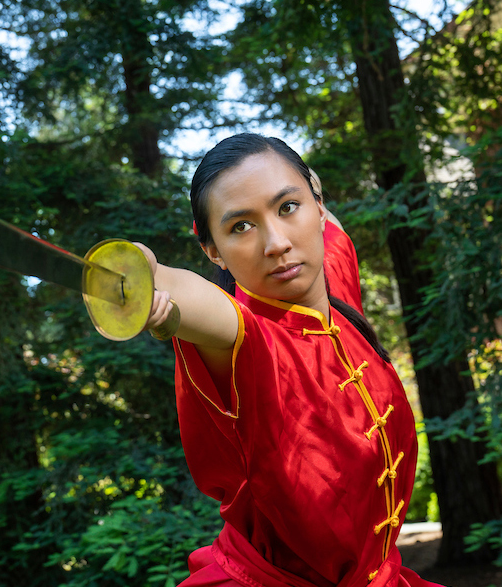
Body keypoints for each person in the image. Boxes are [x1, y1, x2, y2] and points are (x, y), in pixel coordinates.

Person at [137, 133, 438, 587]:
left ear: (317, 208)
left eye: (287, 207)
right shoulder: (246, 341)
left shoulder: (334, 282)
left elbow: (324, 217)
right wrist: (146, 277)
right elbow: (197, 300)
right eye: (241, 226)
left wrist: (305, 187)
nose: (276, 242)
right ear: (212, 250)